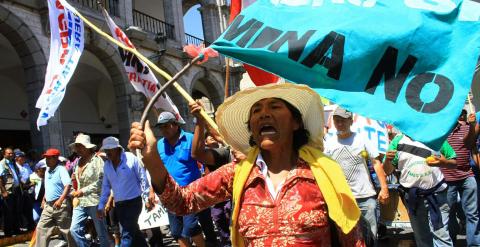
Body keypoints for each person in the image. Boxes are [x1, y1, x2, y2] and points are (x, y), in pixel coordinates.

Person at [129, 83, 365, 246]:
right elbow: (182, 202)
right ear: (252, 128)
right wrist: (152, 160)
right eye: (256, 111)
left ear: (295, 122)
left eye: (274, 107)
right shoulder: (237, 174)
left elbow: (351, 239)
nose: (263, 115)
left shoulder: (324, 171)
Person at [324, 107, 390, 246]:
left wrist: (384, 188)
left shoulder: (362, 139)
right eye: (337, 120)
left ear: (350, 121)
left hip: (365, 197)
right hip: (341, 198)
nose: (339, 123)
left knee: (370, 235)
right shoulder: (328, 142)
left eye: (342, 120)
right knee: (344, 237)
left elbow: (376, 163)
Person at [383, 134, 456, 247]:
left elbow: (453, 162)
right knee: (422, 238)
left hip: (437, 195)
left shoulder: (435, 136)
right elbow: (387, 171)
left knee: (441, 237)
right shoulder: (397, 141)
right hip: (413, 198)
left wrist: (443, 162)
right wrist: (387, 160)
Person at [152, 111, 211, 247]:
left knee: (190, 226)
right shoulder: (159, 145)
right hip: (170, 195)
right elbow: (157, 169)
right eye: (161, 127)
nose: (163, 130)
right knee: (176, 231)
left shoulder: (191, 139)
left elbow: (205, 159)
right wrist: (151, 190)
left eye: (166, 126)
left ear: (176, 125)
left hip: (190, 193)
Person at [190, 100, 233, 246]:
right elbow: (197, 153)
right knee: (221, 224)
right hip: (218, 199)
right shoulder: (228, 152)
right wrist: (200, 120)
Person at [97, 136, 150, 247]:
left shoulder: (131, 158)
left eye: (109, 149)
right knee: (133, 231)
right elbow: (106, 187)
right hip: (119, 205)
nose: (107, 152)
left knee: (126, 233)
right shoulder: (107, 166)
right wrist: (101, 205)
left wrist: (146, 197)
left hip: (134, 202)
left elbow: (142, 178)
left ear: (117, 149)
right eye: (106, 150)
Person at [68, 134, 111, 247]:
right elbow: (76, 180)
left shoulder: (97, 160)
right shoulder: (77, 162)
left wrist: (83, 191)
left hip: (95, 201)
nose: (78, 149)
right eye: (76, 146)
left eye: (80, 146)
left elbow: (101, 181)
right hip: (80, 202)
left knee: (102, 233)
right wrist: (74, 186)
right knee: (74, 230)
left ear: (88, 147)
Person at [35, 148, 75, 247]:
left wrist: (60, 200)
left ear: (56, 158)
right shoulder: (48, 170)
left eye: (49, 158)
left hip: (60, 205)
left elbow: (68, 185)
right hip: (48, 206)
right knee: (41, 228)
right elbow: (48, 186)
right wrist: (44, 199)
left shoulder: (61, 169)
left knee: (66, 230)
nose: (47, 160)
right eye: (46, 158)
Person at [0, 147, 22, 236]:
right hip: (8, 191)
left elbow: (17, 175)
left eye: (12, 153)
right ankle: (8, 232)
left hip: (16, 190)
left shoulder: (13, 163)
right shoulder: (1, 163)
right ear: (4, 154)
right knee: (8, 212)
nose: (11, 155)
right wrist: (3, 191)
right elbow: (0, 179)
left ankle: (16, 230)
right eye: (9, 153)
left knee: (16, 211)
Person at [15, 150, 35, 231]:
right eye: (21, 157)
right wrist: (26, 185)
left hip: (29, 188)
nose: (23, 158)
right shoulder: (15, 166)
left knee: (28, 208)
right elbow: (19, 179)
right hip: (21, 188)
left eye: (24, 156)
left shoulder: (26, 165)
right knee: (20, 208)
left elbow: (31, 174)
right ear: (17, 158)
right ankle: (23, 225)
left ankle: (30, 225)